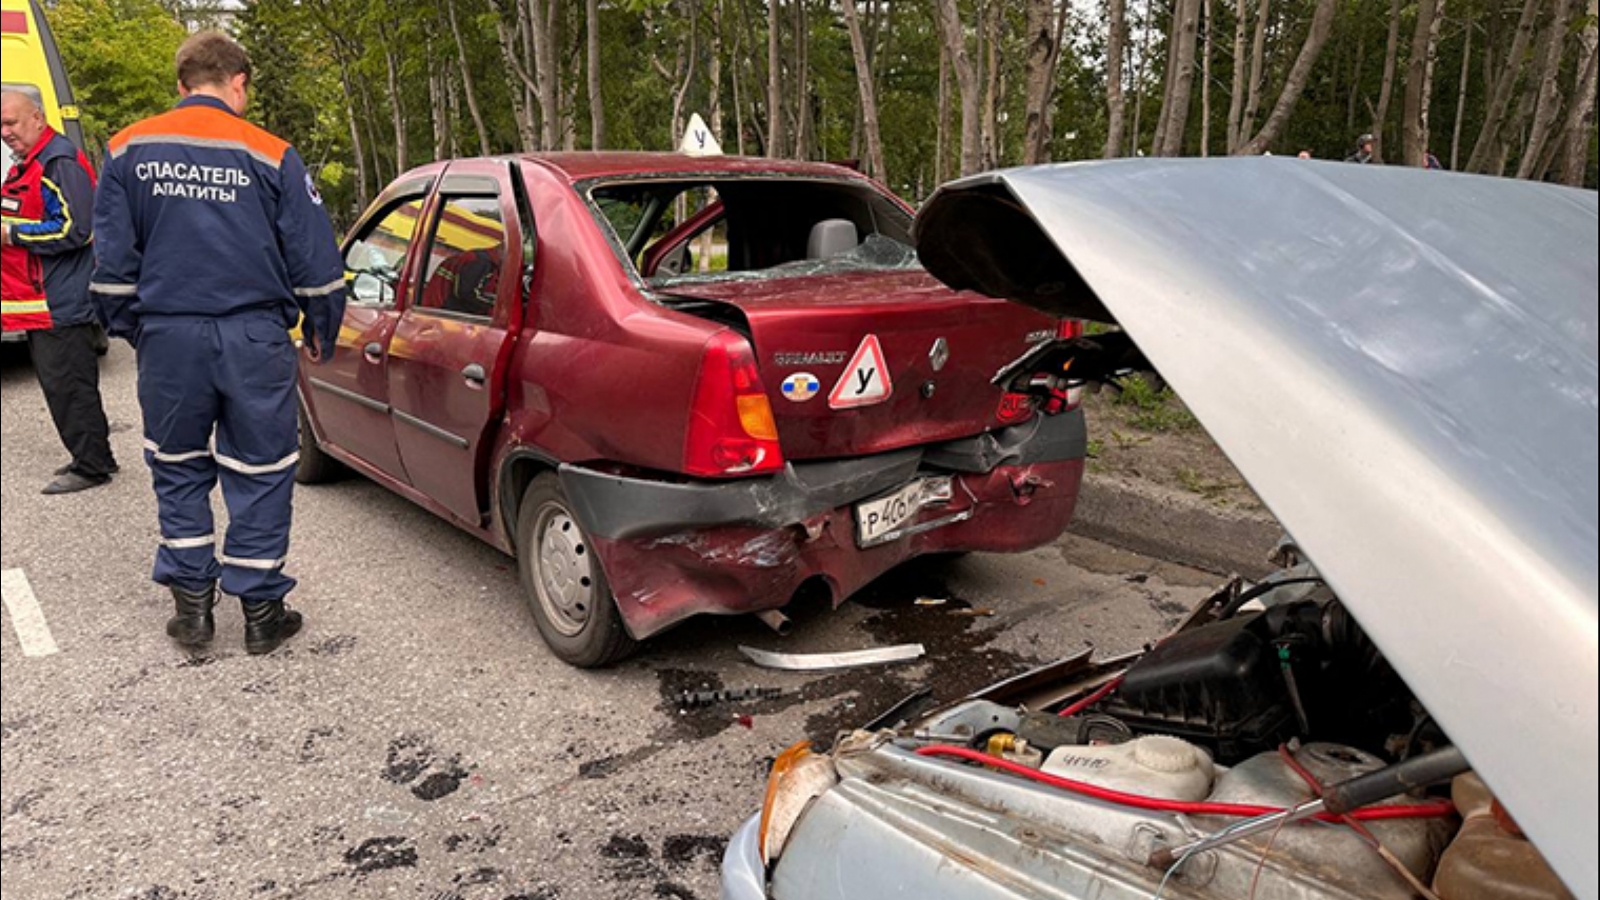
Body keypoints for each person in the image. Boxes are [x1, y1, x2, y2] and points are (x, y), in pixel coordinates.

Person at [90, 32, 345, 654]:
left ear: (180, 85)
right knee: (260, 469)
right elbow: (314, 258)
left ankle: (193, 610)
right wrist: (321, 330)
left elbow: (111, 266)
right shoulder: (271, 152)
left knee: (177, 467)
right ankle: (261, 613)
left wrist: (134, 330)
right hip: (253, 334)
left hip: (169, 334)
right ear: (240, 84)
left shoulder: (127, 149)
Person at [1, 89, 118, 494]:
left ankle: (91, 467)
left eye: (10, 122)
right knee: (69, 385)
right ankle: (95, 455)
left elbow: (76, 229)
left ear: (37, 117)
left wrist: (10, 233)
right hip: (42, 301)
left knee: (67, 385)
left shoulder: (58, 161)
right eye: (0, 126)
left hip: (60, 301)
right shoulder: (31, 162)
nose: (5, 132)